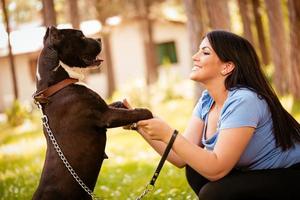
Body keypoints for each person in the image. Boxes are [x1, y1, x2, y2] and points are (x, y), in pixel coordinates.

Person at [123, 30, 300, 200]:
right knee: (195, 169)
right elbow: (179, 157)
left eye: (205, 52)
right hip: (260, 175)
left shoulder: (245, 100)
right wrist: (138, 122)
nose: (195, 57)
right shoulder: (208, 100)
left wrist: (169, 133)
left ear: (227, 67)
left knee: (214, 193)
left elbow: (217, 169)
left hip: (292, 174)